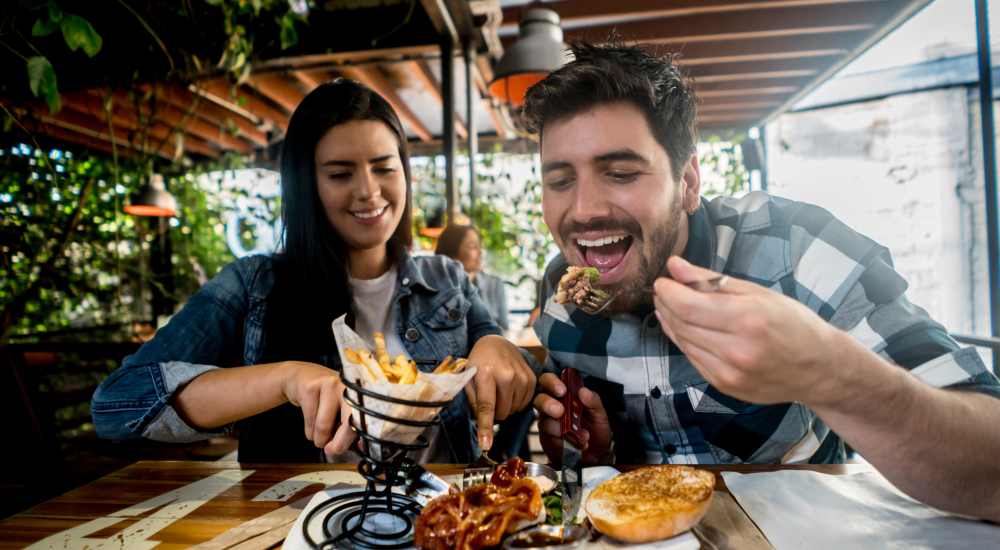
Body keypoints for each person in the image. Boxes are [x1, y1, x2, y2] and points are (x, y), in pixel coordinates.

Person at [527, 42, 1000, 522]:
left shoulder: (796, 250)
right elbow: (577, 486)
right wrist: (595, 458)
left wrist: (826, 371)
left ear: (688, 181)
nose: (584, 209)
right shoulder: (559, 298)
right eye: (560, 181)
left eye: (621, 173)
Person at [91, 79, 536, 463]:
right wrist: (285, 378)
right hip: (297, 524)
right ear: (307, 185)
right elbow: (116, 404)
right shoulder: (254, 286)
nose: (369, 191)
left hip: (442, 524)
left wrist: (496, 343)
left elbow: (490, 347)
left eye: (384, 167)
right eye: (341, 174)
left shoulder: (447, 279)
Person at [435, 224, 509, 332]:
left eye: (480, 246)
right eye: (473, 246)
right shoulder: (435, 287)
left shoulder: (495, 285)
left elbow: (504, 330)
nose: (480, 252)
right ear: (452, 251)